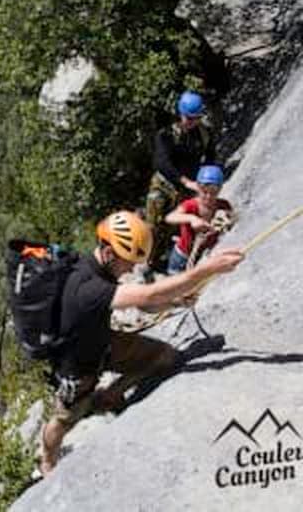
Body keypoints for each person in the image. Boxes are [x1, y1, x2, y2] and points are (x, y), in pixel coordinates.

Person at [39, 210, 243, 476]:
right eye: (128, 263)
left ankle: (110, 395)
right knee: (64, 420)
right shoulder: (89, 288)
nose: (131, 269)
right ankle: (47, 460)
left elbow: (142, 302)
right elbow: (149, 294)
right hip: (77, 366)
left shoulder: (99, 267)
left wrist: (174, 301)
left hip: (104, 342)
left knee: (164, 357)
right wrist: (205, 269)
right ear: (109, 253)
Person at [145, 90, 218, 272]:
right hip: (164, 186)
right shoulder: (167, 135)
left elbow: (210, 157)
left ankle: (170, 258)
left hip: (188, 187)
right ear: (181, 114)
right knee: (154, 225)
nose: (191, 122)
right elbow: (161, 162)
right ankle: (148, 261)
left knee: (177, 224)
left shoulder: (204, 134)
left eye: (195, 118)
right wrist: (185, 181)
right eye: (188, 118)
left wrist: (205, 181)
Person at [164, 165, 234, 275]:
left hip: (204, 254)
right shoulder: (190, 205)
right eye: (204, 192)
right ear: (197, 188)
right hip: (182, 256)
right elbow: (170, 217)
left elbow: (231, 218)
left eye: (213, 192)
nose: (208, 196)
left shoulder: (223, 206)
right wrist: (192, 218)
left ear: (220, 189)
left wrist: (227, 219)